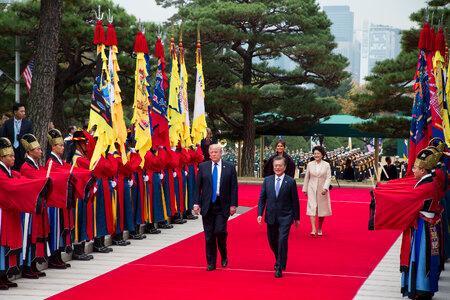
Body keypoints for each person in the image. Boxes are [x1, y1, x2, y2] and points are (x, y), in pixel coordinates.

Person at [194, 144, 238, 271]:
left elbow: (234, 188)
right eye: (212, 152)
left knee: (219, 231)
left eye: (216, 152)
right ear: (208, 153)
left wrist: (233, 205)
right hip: (207, 205)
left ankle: (223, 253)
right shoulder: (203, 166)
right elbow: (198, 186)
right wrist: (196, 203)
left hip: (222, 204)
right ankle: (211, 262)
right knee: (209, 235)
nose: (214, 154)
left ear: (221, 153)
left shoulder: (229, 167)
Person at [257, 156, 300, 278]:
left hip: (286, 216)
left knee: (282, 240)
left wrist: (297, 218)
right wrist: (260, 213)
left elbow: (295, 201)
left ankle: (280, 266)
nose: (277, 168)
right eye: (275, 165)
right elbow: (262, 198)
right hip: (271, 215)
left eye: (280, 165)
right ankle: (278, 257)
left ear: (285, 167)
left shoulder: (290, 181)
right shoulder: (267, 180)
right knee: (272, 241)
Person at [302, 146, 332, 237]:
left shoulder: (326, 165)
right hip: (311, 188)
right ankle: (313, 229)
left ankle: (319, 227)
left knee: (321, 209)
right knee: (312, 207)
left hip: (322, 190)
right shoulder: (310, 164)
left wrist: (325, 188)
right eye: (315, 153)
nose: (316, 155)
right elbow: (307, 177)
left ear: (322, 155)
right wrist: (305, 189)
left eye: (318, 153)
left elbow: (328, 178)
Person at [0, 103, 33, 171]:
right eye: (21, 111)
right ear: (15, 112)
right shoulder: (8, 123)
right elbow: (3, 137)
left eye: (24, 111)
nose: (23, 113)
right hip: (11, 150)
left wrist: (28, 152)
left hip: (22, 152)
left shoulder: (28, 124)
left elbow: (30, 139)